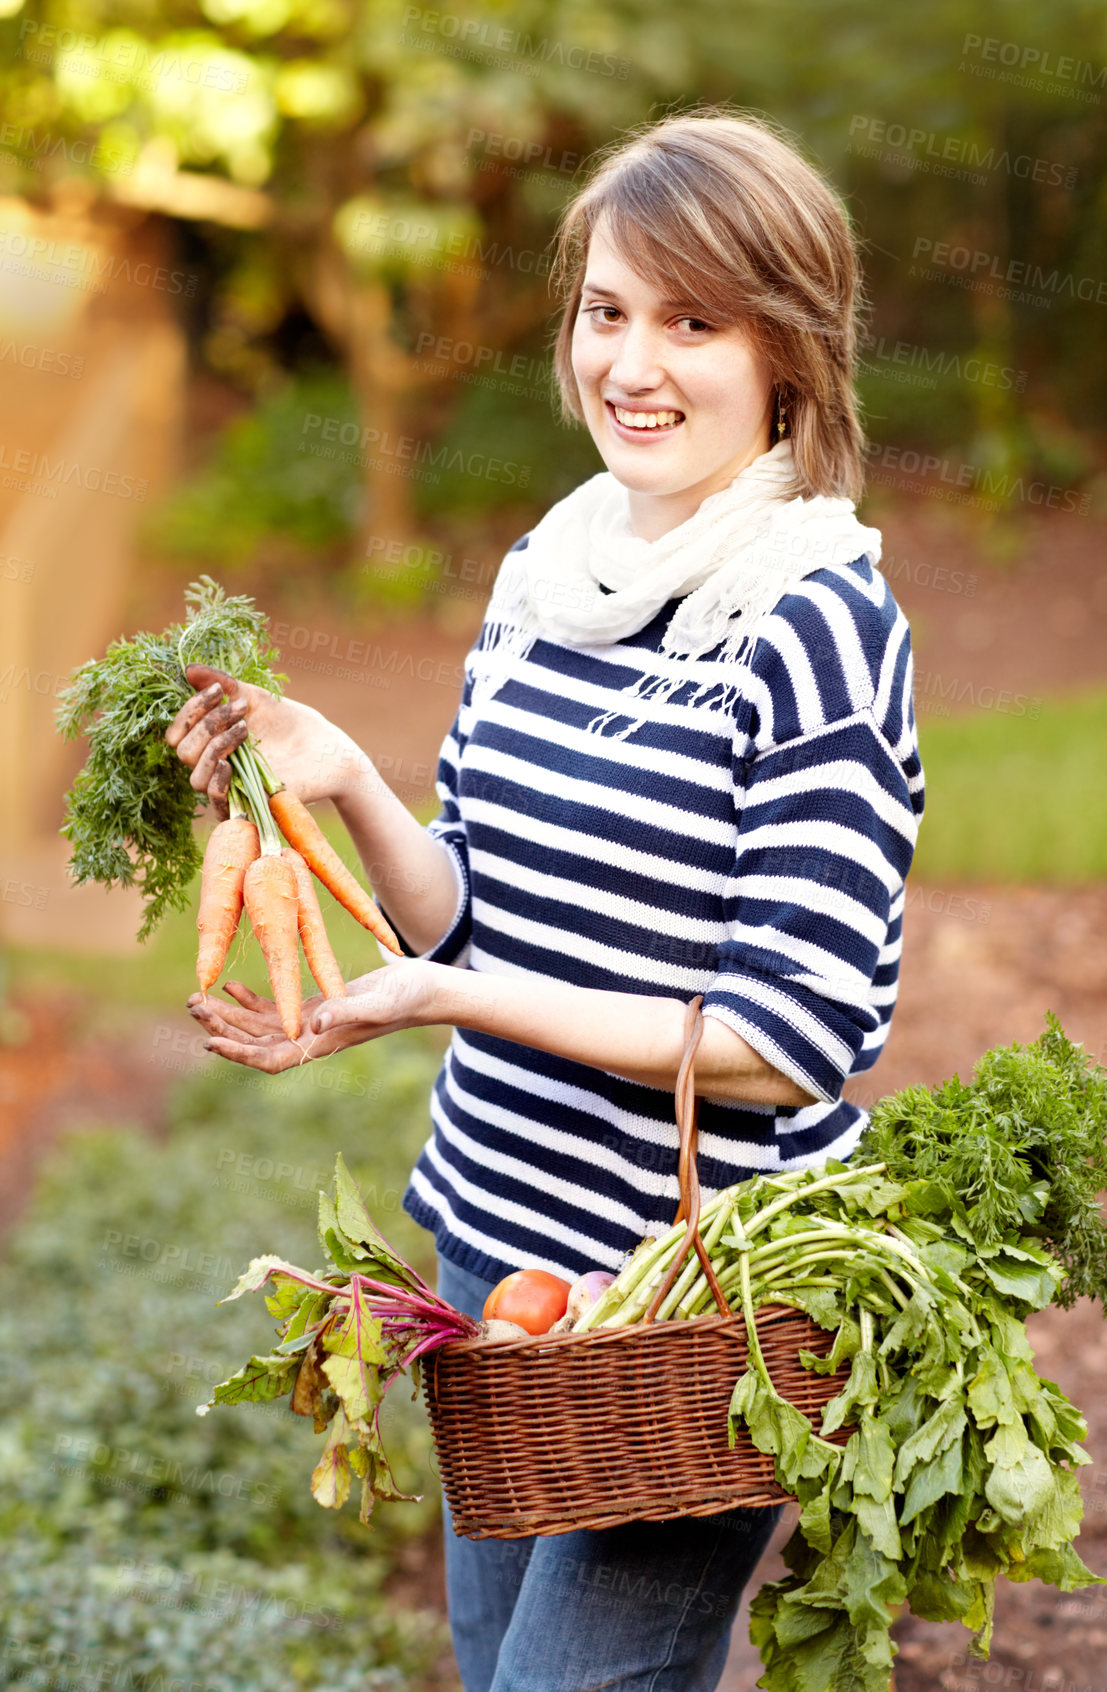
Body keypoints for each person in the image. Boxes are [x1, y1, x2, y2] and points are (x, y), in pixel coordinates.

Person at [173, 108, 923, 1692]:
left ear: (789, 352)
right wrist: (357, 784)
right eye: (606, 311)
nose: (632, 365)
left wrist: (452, 1004)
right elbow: (471, 919)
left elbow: (788, 1037)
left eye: (693, 321)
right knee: (495, 1662)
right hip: (490, 1261)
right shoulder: (551, 570)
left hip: (680, 1305)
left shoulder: (818, 624)